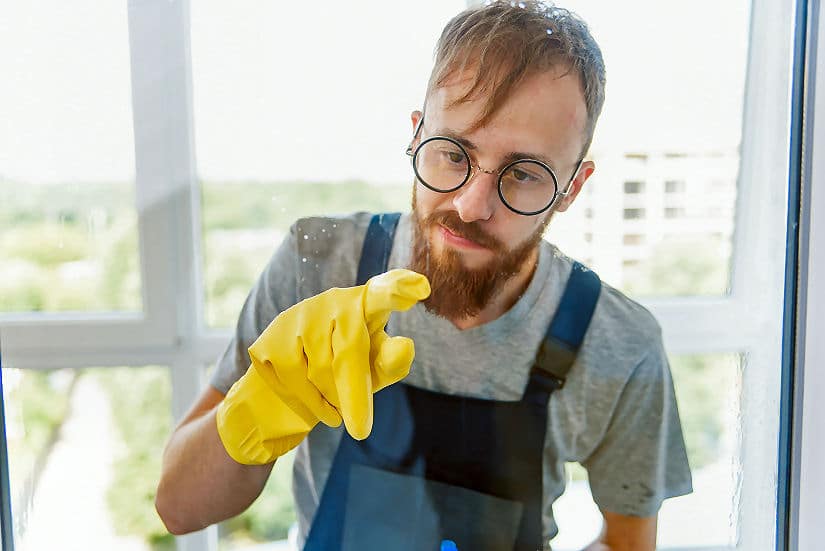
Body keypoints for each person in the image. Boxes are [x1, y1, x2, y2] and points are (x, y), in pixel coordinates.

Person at [155, 2, 692, 550]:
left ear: (572, 187)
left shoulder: (620, 342)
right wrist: (262, 404)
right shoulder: (316, 266)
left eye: (524, 174)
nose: (471, 204)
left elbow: (628, 542)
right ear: (416, 135)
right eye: (453, 152)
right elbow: (178, 507)